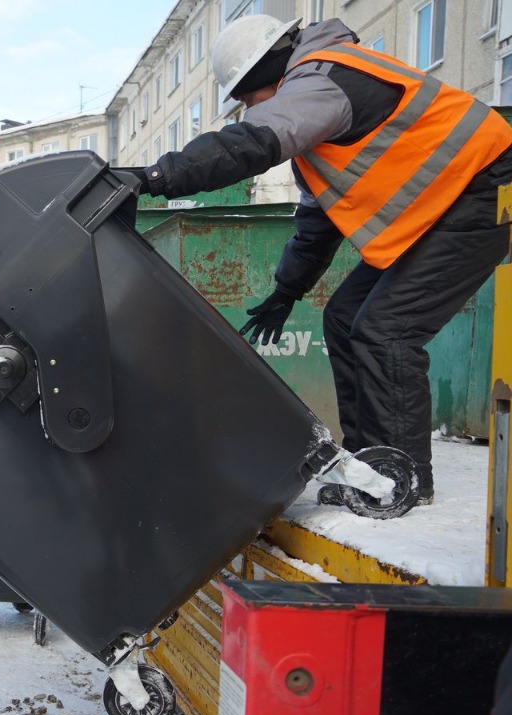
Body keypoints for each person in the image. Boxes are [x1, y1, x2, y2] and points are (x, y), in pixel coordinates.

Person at [126, 14, 512, 505]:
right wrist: (287, 291)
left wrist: (159, 177)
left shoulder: (321, 79)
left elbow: (249, 144)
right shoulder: (316, 133)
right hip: (443, 205)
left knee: (386, 329)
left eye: (245, 97)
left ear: (265, 71)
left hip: (488, 188)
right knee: (347, 316)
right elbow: (318, 225)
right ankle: (371, 463)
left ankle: (401, 483)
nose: (247, 109)